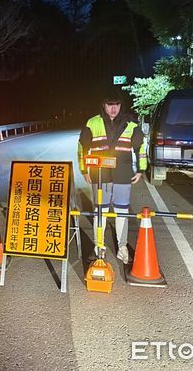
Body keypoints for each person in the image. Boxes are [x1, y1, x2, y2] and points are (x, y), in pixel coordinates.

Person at [77, 88, 147, 264]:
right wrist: (84, 170)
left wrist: (141, 169)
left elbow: (141, 148)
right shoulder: (93, 123)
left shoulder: (131, 124)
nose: (113, 108)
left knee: (122, 211)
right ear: (104, 106)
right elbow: (82, 148)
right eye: (110, 105)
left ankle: (122, 247)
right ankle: (99, 246)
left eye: (116, 105)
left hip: (123, 174)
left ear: (121, 105)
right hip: (100, 175)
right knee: (99, 211)